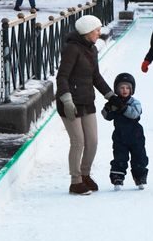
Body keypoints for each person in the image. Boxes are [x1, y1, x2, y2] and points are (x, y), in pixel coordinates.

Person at [57, 14, 116, 195]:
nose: (99, 33)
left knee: (92, 141)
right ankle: (75, 181)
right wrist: (66, 100)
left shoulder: (92, 49)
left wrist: (110, 95)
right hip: (70, 103)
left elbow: (95, 76)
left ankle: (85, 174)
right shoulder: (72, 49)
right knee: (78, 142)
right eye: (96, 30)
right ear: (87, 32)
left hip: (87, 101)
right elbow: (62, 76)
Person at [102, 72, 148, 189]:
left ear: (132, 90)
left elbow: (134, 114)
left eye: (127, 87)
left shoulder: (134, 103)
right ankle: (117, 177)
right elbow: (107, 116)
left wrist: (122, 107)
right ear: (117, 89)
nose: (124, 90)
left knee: (139, 157)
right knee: (119, 157)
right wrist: (108, 108)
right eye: (121, 87)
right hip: (119, 136)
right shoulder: (114, 102)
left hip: (136, 136)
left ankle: (140, 177)